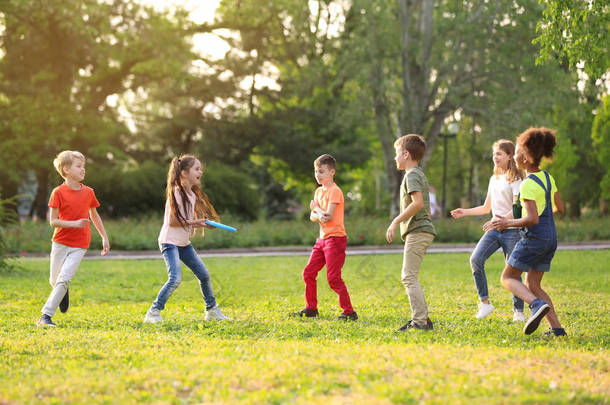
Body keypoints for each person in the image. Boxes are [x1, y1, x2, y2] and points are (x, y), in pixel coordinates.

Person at [488, 127, 566, 337]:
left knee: (507, 278)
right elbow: (560, 207)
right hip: (551, 238)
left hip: (535, 238)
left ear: (524, 156)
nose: (514, 155)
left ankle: (535, 305)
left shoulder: (528, 184)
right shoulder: (547, 178)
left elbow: (532, 219)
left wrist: (507, 223)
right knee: (533, 283)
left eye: (517, 151)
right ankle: (557, 330)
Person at [144, 155, 231, 323]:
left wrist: (204, 225)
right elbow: (173, 221)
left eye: (200, 169)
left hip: (183, 244)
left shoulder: (191, 194)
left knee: (204, 275)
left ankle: (211, 311)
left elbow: (186, 222)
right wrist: (198, 221)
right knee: (175, 278)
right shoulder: (177, 192)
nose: (201, 172)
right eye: (197, 169)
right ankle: (153, 312)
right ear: (184, 173)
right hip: (169, 242)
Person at [450, 140, 526, 322]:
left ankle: (518, 311)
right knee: (476, 259)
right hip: (495, 229)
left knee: (513, 271)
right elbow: (486, 208)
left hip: (512, 229)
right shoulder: (494, 179)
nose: (495, 157)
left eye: (500, 154)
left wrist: (502, 221)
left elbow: (518, 207)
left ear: (509, 156)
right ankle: (485, 303)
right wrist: (464, 212)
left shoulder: (516, 178)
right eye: (494, 154)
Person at [37, 151, 110, 327]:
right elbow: (53, 222)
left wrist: (104, 237)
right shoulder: (58, 192)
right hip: (60, 242)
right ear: (66, 169)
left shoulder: (89, 192)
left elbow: (95, 216)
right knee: (54, 280)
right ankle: (63, 290)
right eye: (79, 166)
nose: (83, 170)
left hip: (80, 243)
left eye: (83, 166)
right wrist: (74, 223)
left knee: (63, 278)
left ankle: (45, 316)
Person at [292, 154, 358, 321]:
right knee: (308, 272)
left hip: (335, 239)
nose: (317, 175)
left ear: (332, 172)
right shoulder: (318, 191)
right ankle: (311, 308)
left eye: (321, 171)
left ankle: (349, 312)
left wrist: (317, 209)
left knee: (333, 278)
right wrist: (318, 213)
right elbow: (312, 217)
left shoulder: (335, 191)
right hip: (322, 240)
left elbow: (326, 216)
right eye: (316, 171)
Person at [386, 134, 436, 331]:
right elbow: (426, 206)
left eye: (396, 154)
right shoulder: (417, 174)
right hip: (420, 231)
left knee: (408, 276)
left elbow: (418, 203)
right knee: (409, 275)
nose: (395, 158)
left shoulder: (412, 175)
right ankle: (423, 319)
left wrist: (396, 221)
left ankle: (420, 321)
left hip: (418, 231)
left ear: (406, 154)